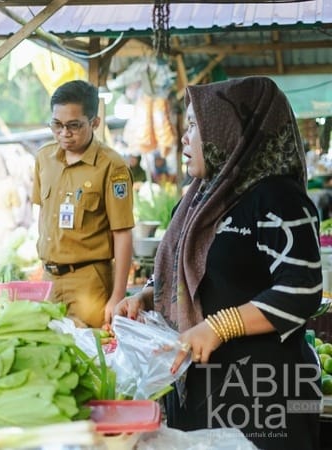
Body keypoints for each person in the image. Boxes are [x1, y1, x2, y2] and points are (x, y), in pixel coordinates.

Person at [114, 77, 321, 449]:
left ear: (231, 129)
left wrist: (219, 326)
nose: (185, 137)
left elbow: (301, 291)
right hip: (201, 389)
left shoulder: (277, 199)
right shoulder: (198, 200)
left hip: (262, 396)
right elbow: (190, 268)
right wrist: (147, 296)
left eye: (196, 125)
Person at [32, 80, 134, 329]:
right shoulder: (44, 158)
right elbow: (43, 214)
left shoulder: (112, 166)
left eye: (73, 126)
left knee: (91, 352)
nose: (64, 133)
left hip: (90, 283)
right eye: (57, 125)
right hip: (49, 279)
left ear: (94, 123)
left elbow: (122, 233)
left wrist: (117, 296)